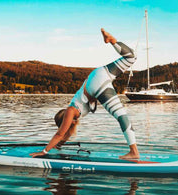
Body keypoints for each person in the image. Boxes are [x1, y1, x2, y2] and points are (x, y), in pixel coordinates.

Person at [30, 28, 140, 159]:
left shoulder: (71, 111)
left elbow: (60, 134)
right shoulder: (74, 117)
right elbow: (64, 136)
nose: (66, 128)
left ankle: (134, 152)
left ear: (64, 120)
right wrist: (58, 145)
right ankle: (112, 41)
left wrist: (44, 151)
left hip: (97, 83)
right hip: (98, 74)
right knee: (131, 57)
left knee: (121, 115)